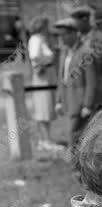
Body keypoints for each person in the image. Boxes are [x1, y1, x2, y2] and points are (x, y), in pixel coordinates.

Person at [54, 17, 97, 149]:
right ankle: (81, 163)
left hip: (80, 102)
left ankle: (75, 164)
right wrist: (58, 101)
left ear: (74, 33)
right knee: (76, 134)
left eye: (64, 35)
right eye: (59, 35)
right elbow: (62, 79)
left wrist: (87, 105)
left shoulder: (85, 52)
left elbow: (91, 81)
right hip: (68, 100)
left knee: (73, 133)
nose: (61, 38)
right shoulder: (64, 53)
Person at [70, 5, 102, 107]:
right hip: (79, 97)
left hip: (100, 98)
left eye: (76, 21)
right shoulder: (75, 41)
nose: (74, 25)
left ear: (85, 19)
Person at [27, 15, 62, 152]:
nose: (48, 28)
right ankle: (45, 140)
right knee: (43, 107)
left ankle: (45, 139)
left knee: (46, 106)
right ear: (41, 26)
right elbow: (34, 56)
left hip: (47, 74)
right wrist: (41, 65)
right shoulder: (36, 39)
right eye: (47, 26)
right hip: (43, 75)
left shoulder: (41, 39)